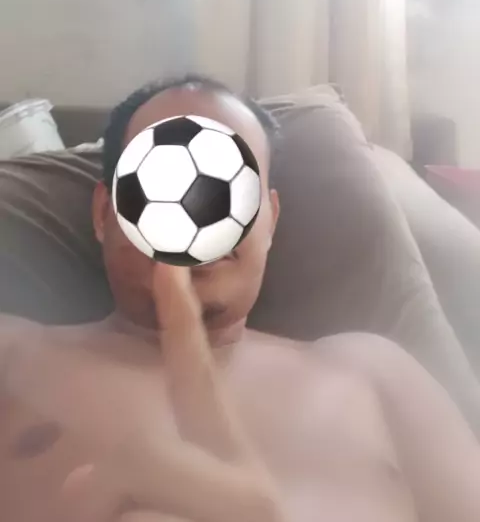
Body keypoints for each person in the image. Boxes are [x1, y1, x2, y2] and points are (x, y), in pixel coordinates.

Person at [1, 74, 480, 522]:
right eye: (164, 180)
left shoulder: (374, 373)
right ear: (105, 214)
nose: (195, 213)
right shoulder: (13, 357)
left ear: (269, 220)